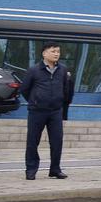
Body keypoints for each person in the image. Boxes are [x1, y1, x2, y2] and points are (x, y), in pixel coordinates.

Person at [20, 42, 72, 180]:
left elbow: (66, 90)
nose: (56, 54)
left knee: (57, 141)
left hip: (55, 111)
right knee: (32, 141)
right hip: (37, 111)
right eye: (53, 51)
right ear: (44, 53)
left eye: (58, 51)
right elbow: (24, 89)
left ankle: (55, 169)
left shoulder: (62, 70)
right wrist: (35, 101)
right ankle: (31, 170)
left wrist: (62, 106)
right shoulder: (34, 70)